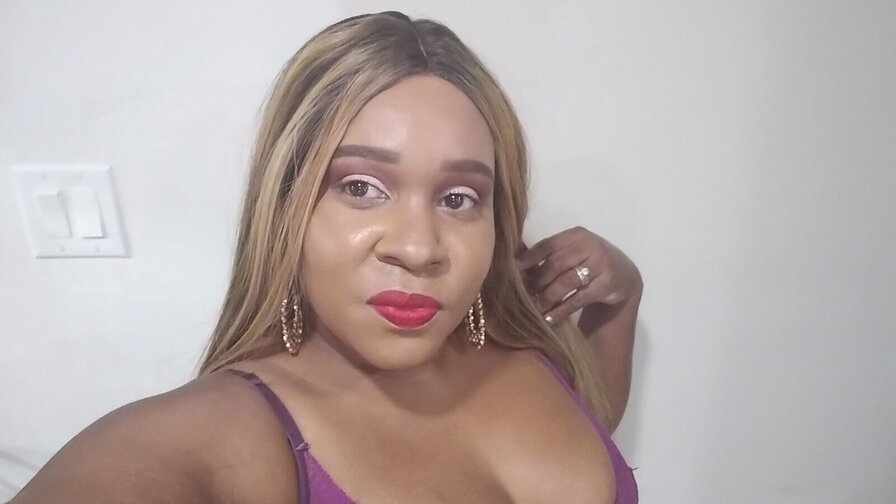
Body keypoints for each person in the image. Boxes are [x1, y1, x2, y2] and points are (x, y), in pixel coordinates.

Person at [12, 11, 643, 504]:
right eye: (361, 188)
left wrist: (622, 294)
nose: (418, 248)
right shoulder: (232, 435)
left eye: (458, 198)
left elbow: (591, 424)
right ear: (286, 206)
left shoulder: (529, 351)